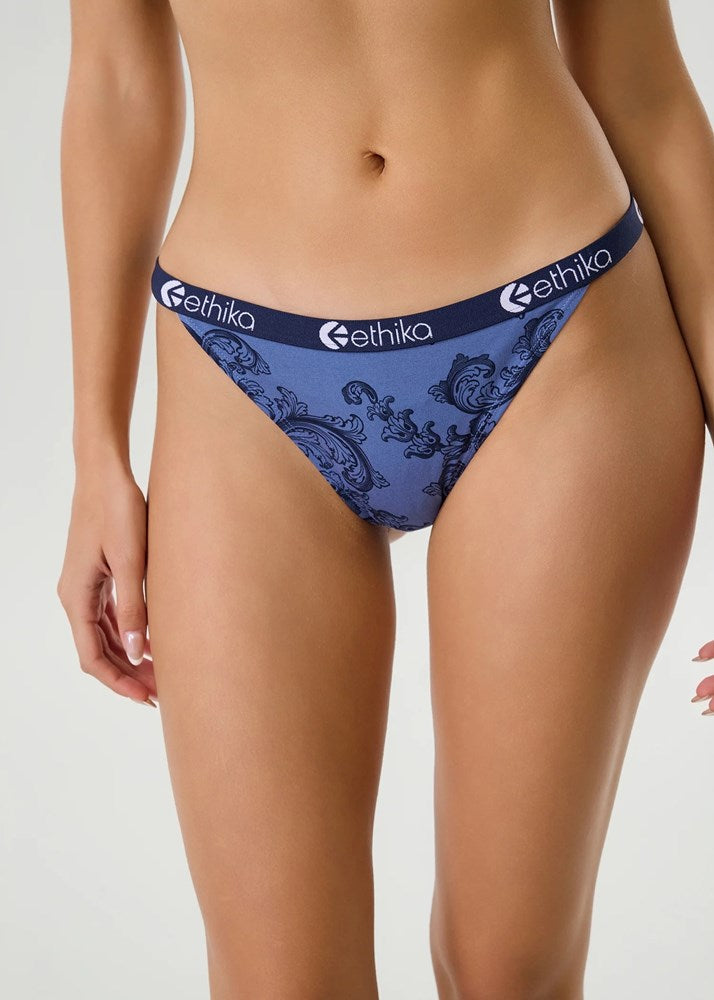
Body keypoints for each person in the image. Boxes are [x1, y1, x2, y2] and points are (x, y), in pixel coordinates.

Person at [56, 1, 714, 996]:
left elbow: (644, 83)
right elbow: (115, 80)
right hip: (241, 367)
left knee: (509, 973)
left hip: (559, 325)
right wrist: (96, 446)